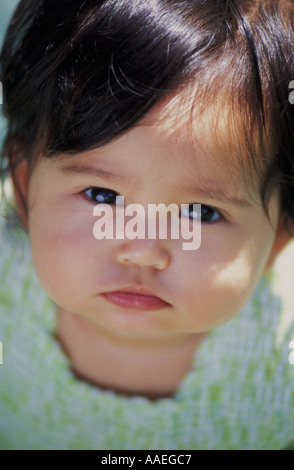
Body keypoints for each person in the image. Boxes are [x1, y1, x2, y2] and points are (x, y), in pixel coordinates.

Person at [0, 0, 293, 450]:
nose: (141, 249)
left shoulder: (282, 362)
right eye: (103, 196)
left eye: (201, 212)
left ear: (278, 236)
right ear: (24, 189)